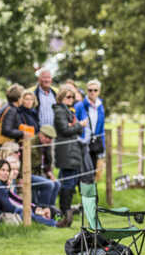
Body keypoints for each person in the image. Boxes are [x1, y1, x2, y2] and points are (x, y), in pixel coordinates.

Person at [53, 86, 88, 227]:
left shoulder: (67, 110)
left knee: (69, 182)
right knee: (68, 183)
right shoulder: (60, 111)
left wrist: (75, 126)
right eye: (68, 97)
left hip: (72, 151)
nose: (71, 99)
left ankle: (66, 213)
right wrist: (79, 125)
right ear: (61, 97)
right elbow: (65, 129)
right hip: (66, 151)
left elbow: (71, 129)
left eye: (72, 97)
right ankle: (65, 214)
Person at [75, 79, 106, 174]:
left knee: (92, 170)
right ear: (87, 91)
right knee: (82, 171)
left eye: (95, 90)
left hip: (95, 143)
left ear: (99, 91)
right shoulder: (79, 106)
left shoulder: (100, 107)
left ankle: (90, 189)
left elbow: (101, 128)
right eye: (90, 90)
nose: (92, 92)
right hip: (82, 142)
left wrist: (103, 147)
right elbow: (74, 123)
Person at [30, 125, 60, 208]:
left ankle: (51, 209)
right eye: (46, 137)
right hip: (29, 174)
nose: (48, 140)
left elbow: (47, 162)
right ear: (40, 134)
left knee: (56, 183)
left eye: (50, 138)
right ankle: (43, 209)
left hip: (40, 173)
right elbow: (32, 163)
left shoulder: (47, 145)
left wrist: (49, 172)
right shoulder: (31, 143)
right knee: (49, 184)